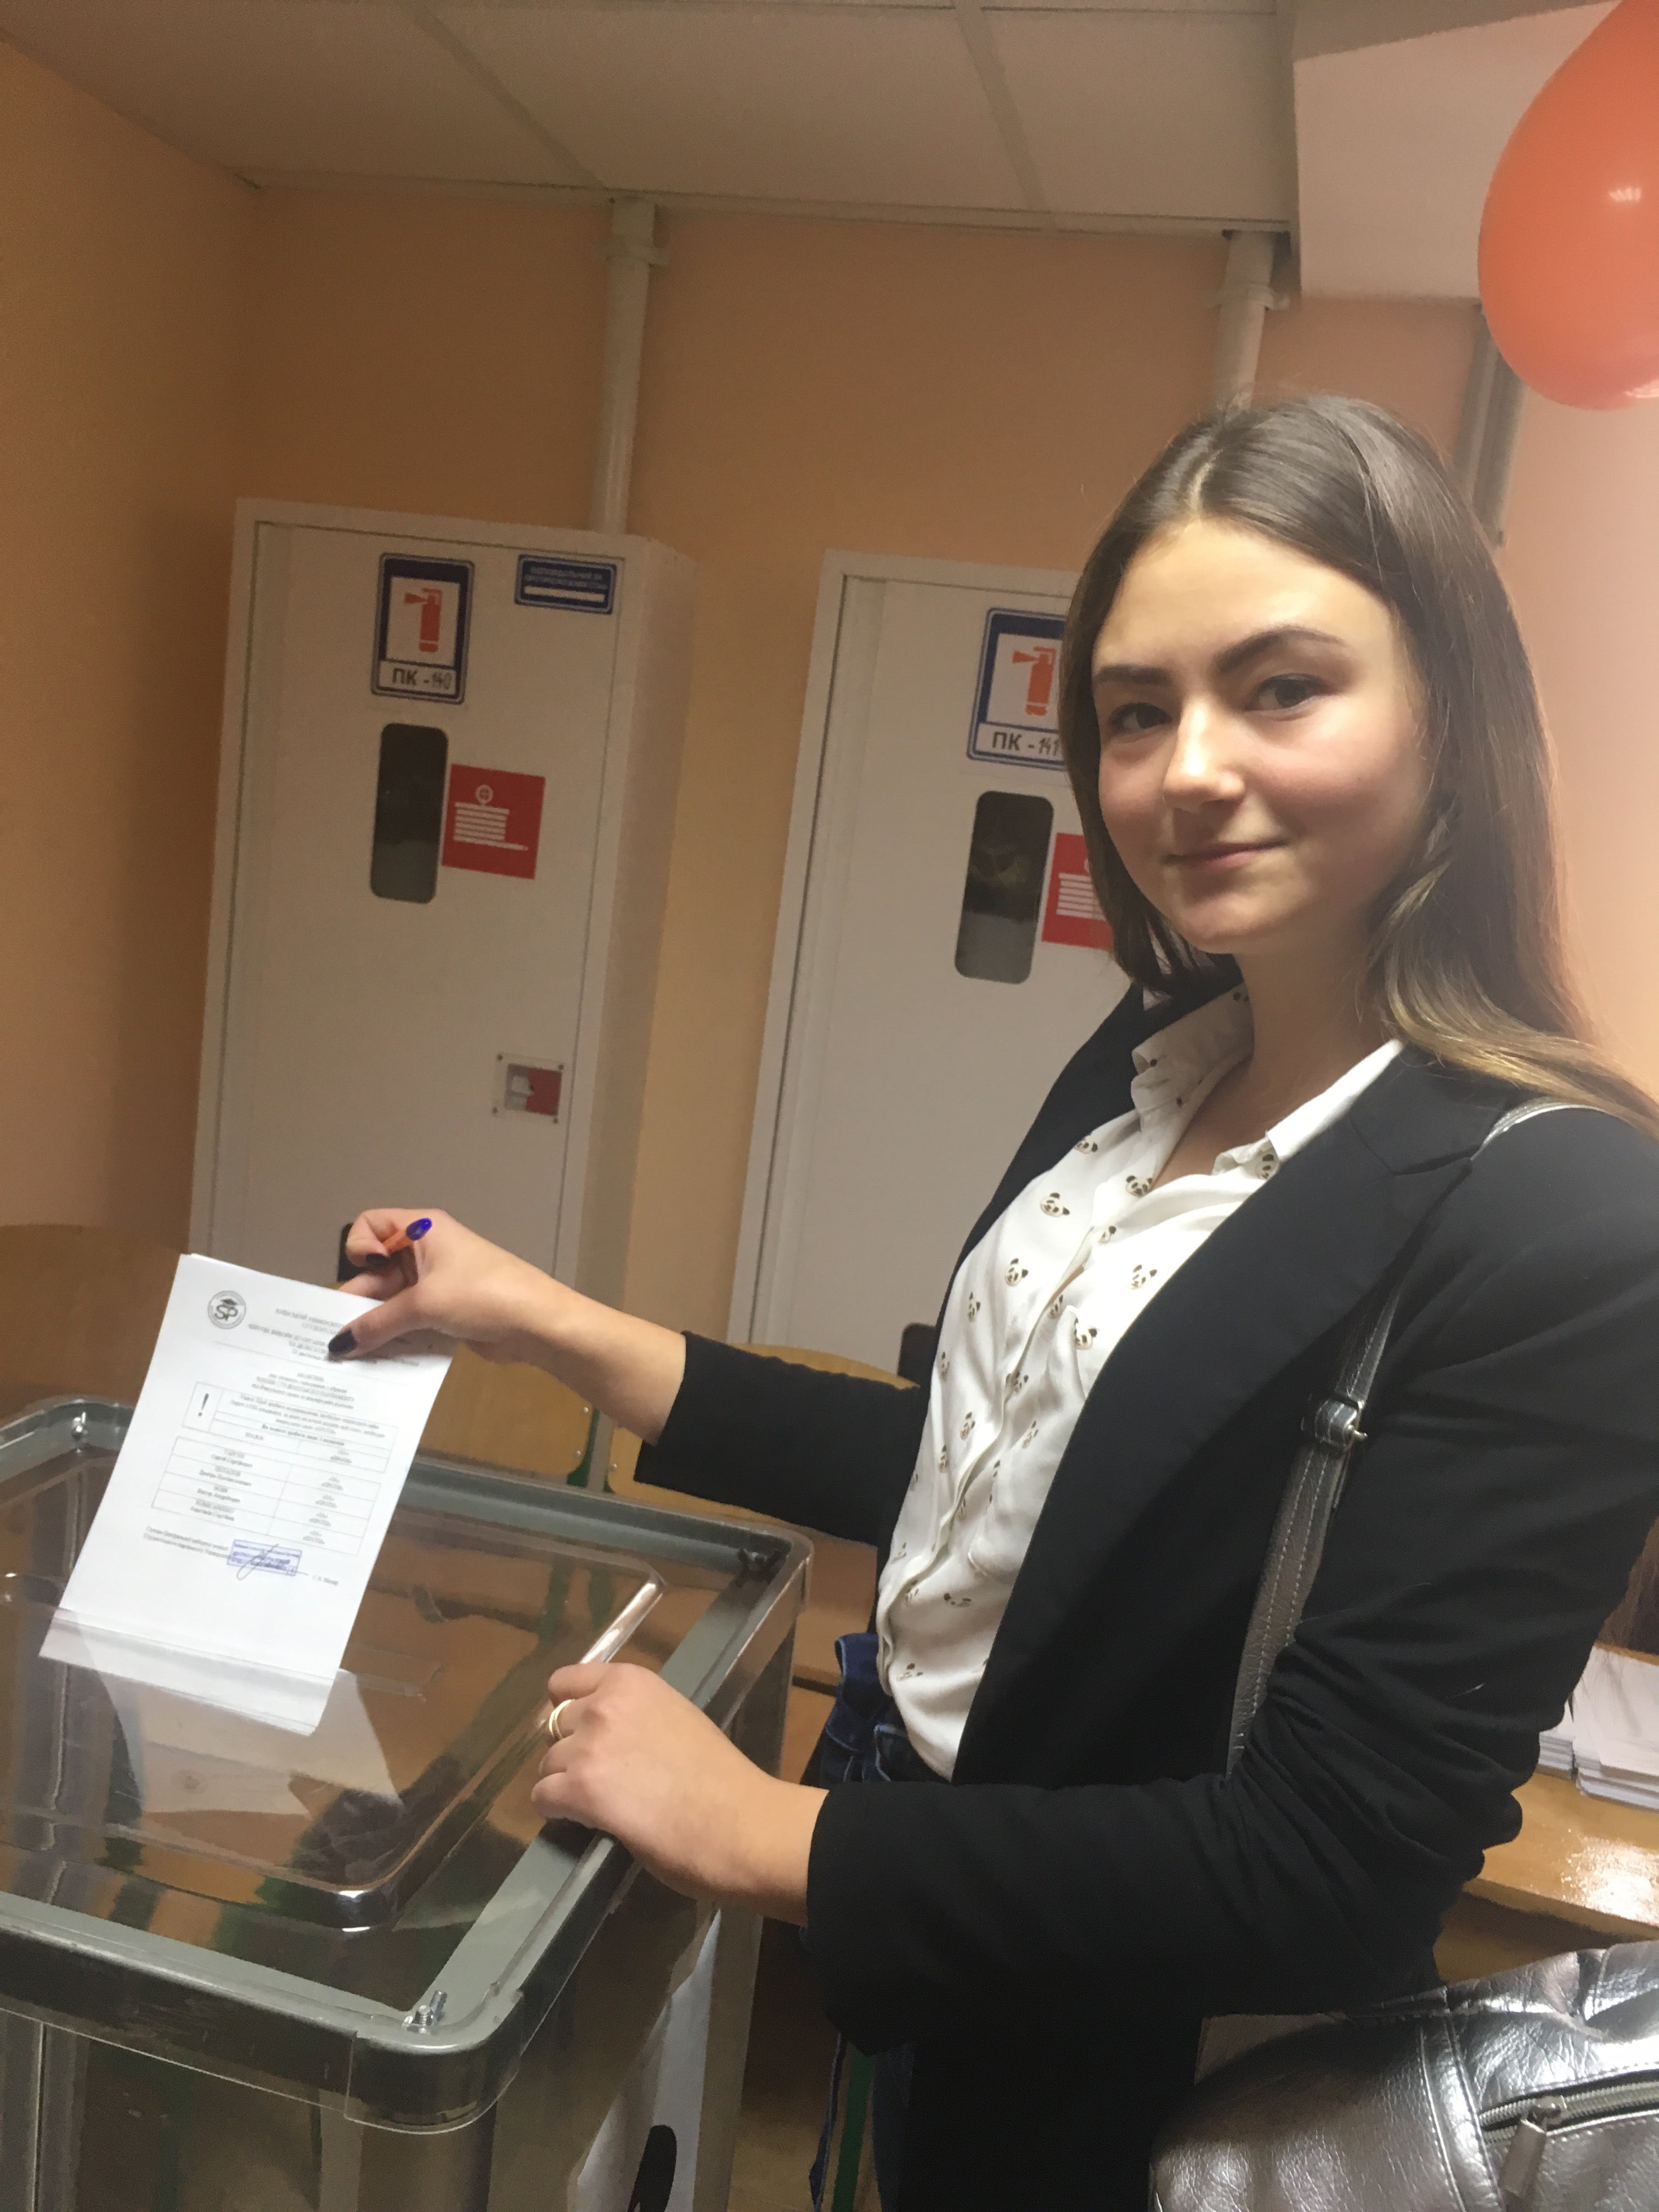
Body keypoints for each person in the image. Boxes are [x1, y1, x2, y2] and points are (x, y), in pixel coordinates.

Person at [335, 396, 1659, 2212]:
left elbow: (1331, 1867)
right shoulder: (1154, 1056)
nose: (1188, 771)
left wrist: (771, 1832)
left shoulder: (1569, 1211)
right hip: (944, 1952)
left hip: (1161, 2078)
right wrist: (530, 1315)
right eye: (1136, 711)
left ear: (1454, 713)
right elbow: (986, 1477)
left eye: (1282, 688)